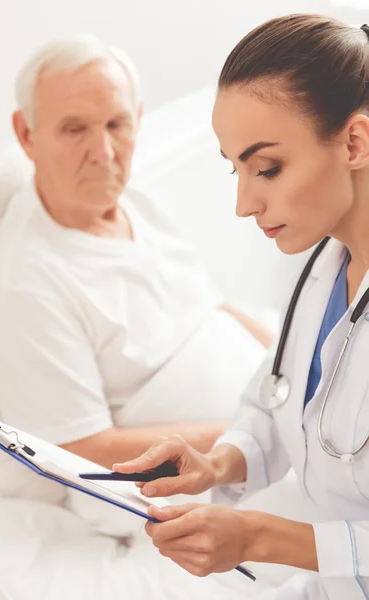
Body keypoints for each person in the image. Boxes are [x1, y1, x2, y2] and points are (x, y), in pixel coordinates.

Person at [114, 15, 369, 600]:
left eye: (268, 169)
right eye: (237, 168)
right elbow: (274, 399)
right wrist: (216, 464)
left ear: (354, 143)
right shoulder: (323, 270)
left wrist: (256, 536)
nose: (243, 204)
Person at [0, 34, 271, 473]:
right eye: (75, 129)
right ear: (26, 134)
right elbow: (79, 450)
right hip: (193, 474)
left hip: (263, 425)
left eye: (117, 124)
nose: (103, 153)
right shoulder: (24, 282)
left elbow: (214, 308)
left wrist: (297, 366)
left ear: (137, 120)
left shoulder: (139, 204)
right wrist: (258, 435)